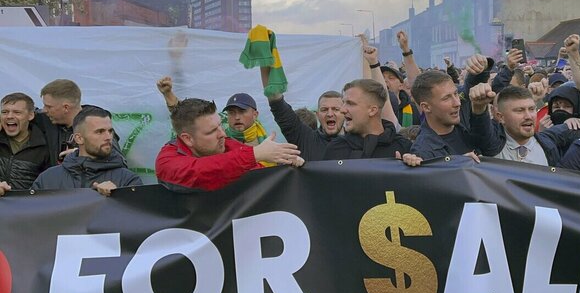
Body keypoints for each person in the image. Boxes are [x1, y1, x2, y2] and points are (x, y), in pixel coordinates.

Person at [155, 98, 304, 192]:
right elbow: (200, 172)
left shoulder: (226, 144)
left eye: (220, 125)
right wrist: (255, 154)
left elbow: (258, 174)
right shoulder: (167, 160)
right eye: (212, 131)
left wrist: (284, 167)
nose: (223, 134)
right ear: (187, 139)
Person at [32, 106, 142, 196]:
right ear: (79, 138)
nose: (108, 137)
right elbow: (32, 217)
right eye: (100, 132)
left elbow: (140, 218)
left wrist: (119, 197)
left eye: (110, 131)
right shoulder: (48, 179)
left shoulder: (127, 180)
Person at [410, 70, 504, 159]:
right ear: (426, 107)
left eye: (456, 94)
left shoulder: (463, 128)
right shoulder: (424, 152)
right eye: (446, 98)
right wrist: (457, 166)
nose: (457, 103)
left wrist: (479, 110)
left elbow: (491, 149)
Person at [36, 79, 122, 165]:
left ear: (66, 107)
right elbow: (25, 111)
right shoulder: (45, 120)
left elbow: (119, 162)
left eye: (49, 107)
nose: (44, 110)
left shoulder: (98, 126)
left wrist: (83, 155)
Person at [322, 79, 412, 159]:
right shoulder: (336, 148)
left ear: (372, 110)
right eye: (343, 103)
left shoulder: (404, 148)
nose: (342, 110)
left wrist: (406, 170)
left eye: (350, 103)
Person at [493, 86, 571, 166]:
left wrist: (573, 121)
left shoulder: (548, 146)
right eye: (520, 110)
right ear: (501, 117)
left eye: (531, 109)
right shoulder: (490, 148)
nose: (528, 116)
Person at [0, 93, 50, 189]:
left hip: (28, 203)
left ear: (30, 115)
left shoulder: (44, 146)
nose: (9, 116)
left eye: (17, 112)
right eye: (4, 112)